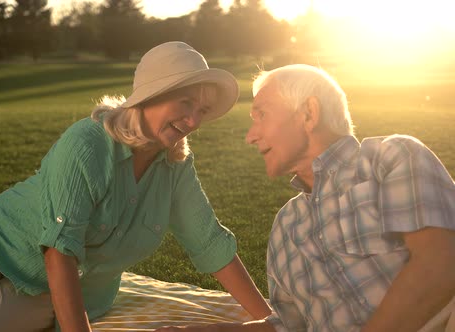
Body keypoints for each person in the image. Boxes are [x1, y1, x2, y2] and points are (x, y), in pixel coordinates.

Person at [0, 41, 272, 332]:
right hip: (5, 240)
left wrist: (271, 321)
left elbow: (209, 242)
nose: (193, 121)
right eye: (185, 102)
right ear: (152, 94)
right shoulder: (89, 142)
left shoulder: (176, 165)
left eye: (201, 110)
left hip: (79, 284)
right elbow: (60, 248)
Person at [155, 64, 455, 332]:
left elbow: (441, 262)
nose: (250, 136)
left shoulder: (389, 160)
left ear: (308, 114)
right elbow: (286, 326)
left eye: (261, 116)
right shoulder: (286, 226)